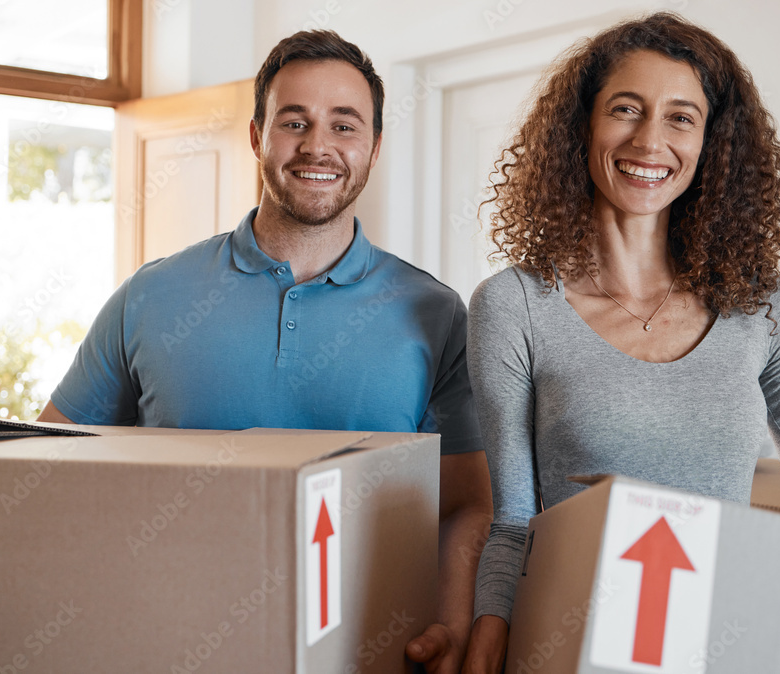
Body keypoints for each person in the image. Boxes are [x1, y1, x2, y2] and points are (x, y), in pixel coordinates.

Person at [460, 12, 780, 672]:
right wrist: (486, 637)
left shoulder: (762, 304)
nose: (651, 138)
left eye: (681, 117)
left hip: (726, 649)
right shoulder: (512, 305)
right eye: (626, 109)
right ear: (582, 127)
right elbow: (515, 522)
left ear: (712, 143)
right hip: (579, 645)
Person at [37, 30, 490, 673]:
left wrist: (450, 623)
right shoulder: (152, 296)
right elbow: (49, 470)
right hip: (167, 645)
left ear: (375, 147)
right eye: (294, 122)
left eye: (344, 124)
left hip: (364, 648)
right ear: (256, 137)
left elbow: (466, 502)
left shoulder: (435, 314)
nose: (318, 146)